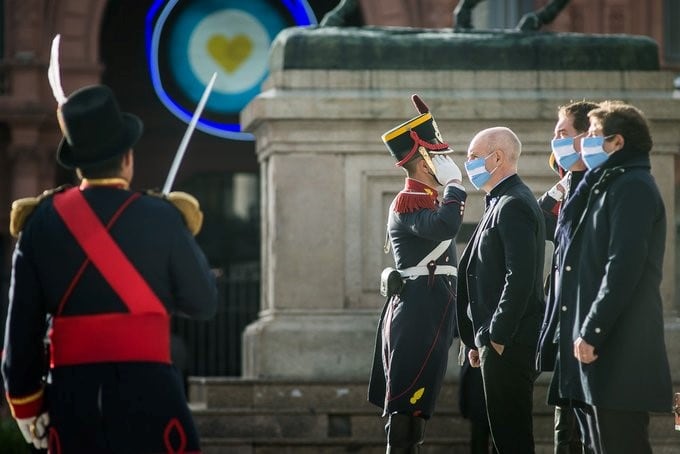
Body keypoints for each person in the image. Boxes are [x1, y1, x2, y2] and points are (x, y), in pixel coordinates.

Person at [2, 84, 218, 453]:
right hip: (153, 400)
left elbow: (22, 329)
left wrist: (27, 403)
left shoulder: (39, 224)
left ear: (77, 163)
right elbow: (203, 303)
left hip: (73, 401)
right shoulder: (164, 217)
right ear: (128, 157)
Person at [551, 100, 672, 454]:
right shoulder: (605, 184)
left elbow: (623, 266)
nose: (585, 142)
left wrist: (591, 330)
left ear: (617, 143)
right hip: (600, 354)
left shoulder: (632, 186)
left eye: (593, 135)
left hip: (618, 350)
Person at [368, 94, 467, 453]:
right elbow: (445, 226)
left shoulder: (426, 198)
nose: (446, 161)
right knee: (405, 402)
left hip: (431, 310)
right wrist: (456, 186)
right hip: (417, 312)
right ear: (424, 162)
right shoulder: (410, 201)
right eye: (438, 156)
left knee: (419, 406)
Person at [456, 126, 545, 453]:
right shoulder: (500, 201)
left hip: (507, 343)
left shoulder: (514, 204)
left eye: (473, 157)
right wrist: (478, 338)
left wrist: (496, 336)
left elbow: (518, 277)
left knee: (512, 439)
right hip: (493, 342)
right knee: (504, 438)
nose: (468, 164)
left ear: (497, 158)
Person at [536, 101, 599, 454]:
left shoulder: (600, 191)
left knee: (592, 433)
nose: (555, 140)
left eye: (563, 133)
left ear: (585, 138)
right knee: (566, 431)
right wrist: (563, 182)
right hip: (564, 328)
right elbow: (539, 223)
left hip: (588, 328)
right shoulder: (571, 187)